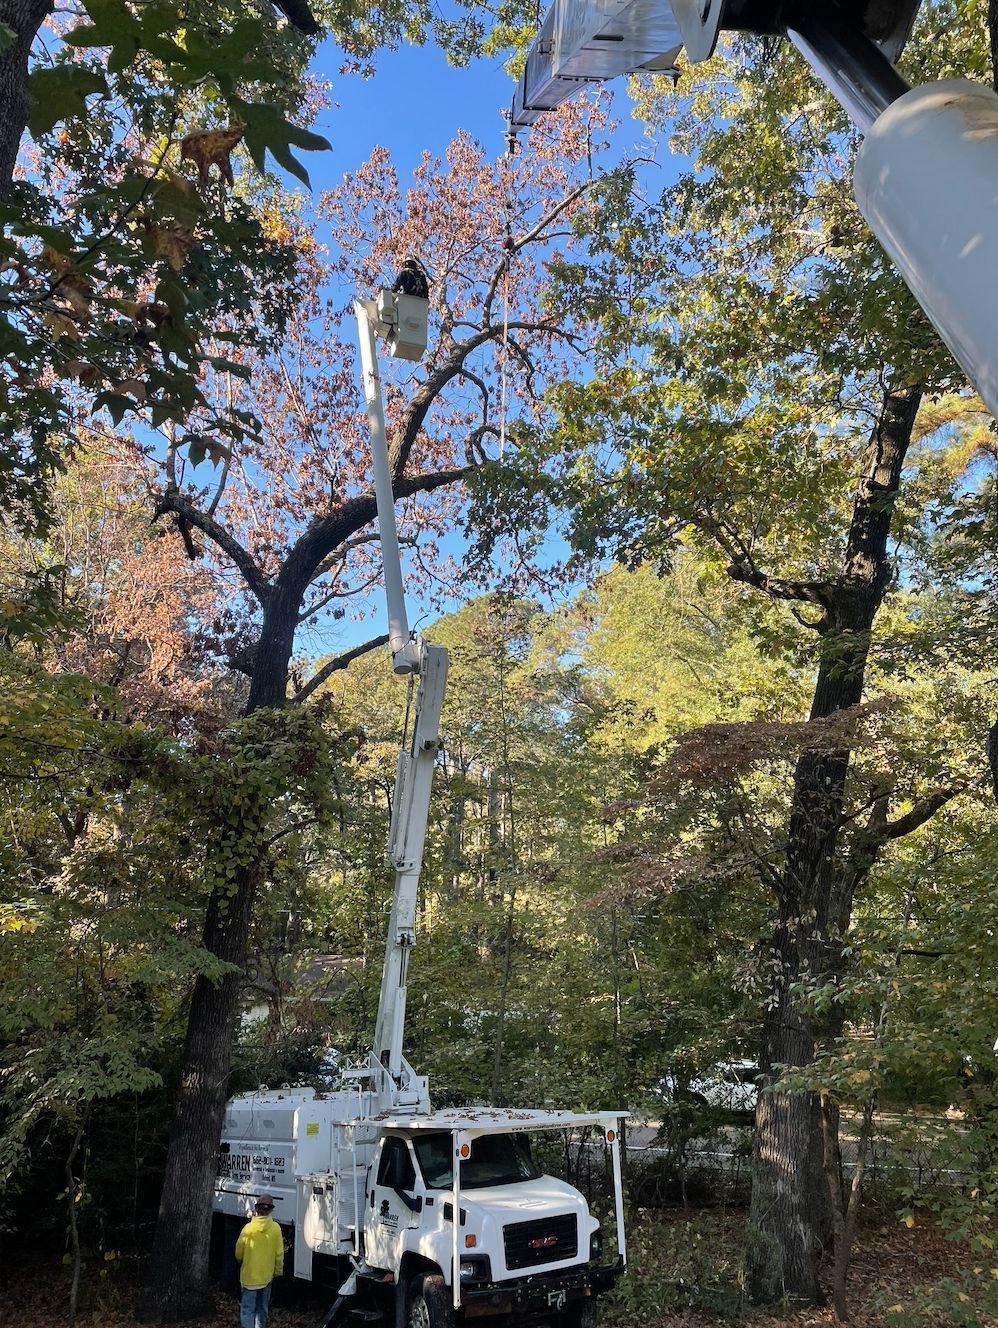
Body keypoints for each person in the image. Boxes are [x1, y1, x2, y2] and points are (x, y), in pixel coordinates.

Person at [235, 1194, 284, 1328]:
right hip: (266, 1277)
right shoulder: (275, 1229)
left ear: (256, 1209)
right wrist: (278, 1271)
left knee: (247, 1310)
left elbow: (238, 1253)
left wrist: (242, 1262)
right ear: (270, 1210)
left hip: (249, 1278)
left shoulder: (248, 1229)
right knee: (262, 1310)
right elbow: (279, 1254)